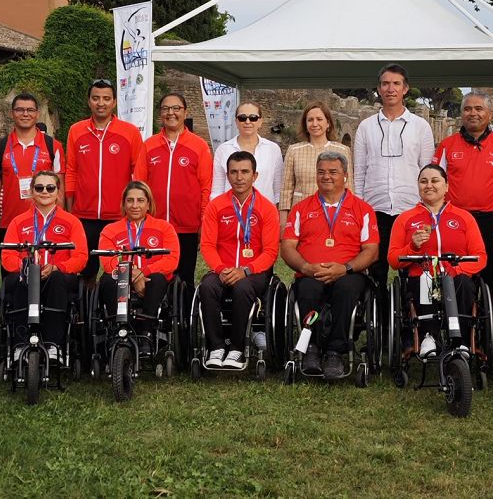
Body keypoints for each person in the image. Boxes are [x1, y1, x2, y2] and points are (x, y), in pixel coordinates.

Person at [281, 151, 379, 379]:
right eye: (321, 172)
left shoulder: (362, 209)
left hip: (349, 273)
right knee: (308, 288)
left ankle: (335, 351)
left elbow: (371, 251)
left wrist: (344, 268)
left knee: (346, 288)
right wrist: (305, 267)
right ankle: (312, 348)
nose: (326, 176)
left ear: (345, 175)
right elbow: (287, 247)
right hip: (310, 272)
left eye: (333, 172)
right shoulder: (301, 208)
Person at [355, 64, 435, 301]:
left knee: (414, 270)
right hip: (375, 209)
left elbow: (427, 171)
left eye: (396, 84)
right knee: (376, 270)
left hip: (410, 209)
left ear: (405, 89)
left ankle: (415, 318)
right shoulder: (365, 127)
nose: (390, 89)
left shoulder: (421, 126)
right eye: (385, 84)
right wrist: (360, 208)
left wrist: (427, 208)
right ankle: (378, 317)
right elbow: (359, 171)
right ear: (379, 88)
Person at [386, 164, 486, 356]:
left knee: (465, 283)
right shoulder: (405, 219)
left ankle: (462, 340)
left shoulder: (464, 217)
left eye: (435, 180)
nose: (429, 185)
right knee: (426, 278)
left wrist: (457, 270)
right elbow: (393, 259)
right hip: (421, 278)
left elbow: (480, 256)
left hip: (457, 276)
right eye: (423, 181)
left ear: (446, 186)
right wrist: (413, 247)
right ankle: (428, 337)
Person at [434, 91, 493, 310]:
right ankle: (461, 318)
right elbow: (436, 182)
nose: (473, 113)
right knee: (457, 273)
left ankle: (491, 325)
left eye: (479, 108)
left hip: (490, 220)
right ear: (461, 113)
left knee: (491, 278)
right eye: (467, 109)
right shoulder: (447, 145)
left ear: (490, 114)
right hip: (456, 221)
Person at [198, 151, 280, 369]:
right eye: (234, 172)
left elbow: (271, 251)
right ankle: (216, 347)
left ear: (255, 176)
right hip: (222, 270)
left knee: (242, 288)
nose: (239, 177)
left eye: (245, 172)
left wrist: (245, 270)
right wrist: (221, 269)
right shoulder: (216, 206)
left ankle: (236, 348)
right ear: (227, 176)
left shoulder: (267, 208)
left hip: (254, 272)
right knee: (207, 287)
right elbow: (207, 245)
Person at [0, 171, 87, 364]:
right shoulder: (18, 222)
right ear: (32, 192)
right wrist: (26, 266)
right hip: (26, 275)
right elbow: (6, 257)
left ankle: (53, 344)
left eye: (50, 188)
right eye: (39, 188)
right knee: (22, 278)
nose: (45, 191)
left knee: (56, 279)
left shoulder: (72, 222)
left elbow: (81, 257)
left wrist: (58, 267)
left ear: (58, 192)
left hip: (58, 277)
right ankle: (20, 344)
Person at [65, 79, 147, 280]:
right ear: (89, 101)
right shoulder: (76, 130)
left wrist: (134, 207)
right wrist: (70, 208)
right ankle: (86, 298)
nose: (101, 103)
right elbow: (71, 171)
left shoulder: (130, 132)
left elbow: (138, 173)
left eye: (106, 98)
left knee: (121, 269)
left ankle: (114, 298)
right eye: (96, 98)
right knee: (85, 270)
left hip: (119, 214)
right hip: (84, 213)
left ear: (114, 102)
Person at [144, 92, 213, 289]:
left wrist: (202, 220)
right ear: (160, 113)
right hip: (154, 225)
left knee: (185, 279)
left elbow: (206, 187)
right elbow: (140, 185)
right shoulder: (149, 145)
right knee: (154, 277)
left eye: (176, 108)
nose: (171, 113)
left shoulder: (199, 146)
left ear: (185, 112)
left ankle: (185, 309)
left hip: (186, 226)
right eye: (166, 108)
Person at [97, 181, 180, 340]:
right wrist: (131, 275)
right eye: (130, 200)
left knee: (158, 279)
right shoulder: (110, 230)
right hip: (121, 280)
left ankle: (146, 332)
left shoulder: (165, 228)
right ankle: (118, 331)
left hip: (152, 280)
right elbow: (108, 263)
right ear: (124, 204)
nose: (135, 205)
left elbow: (171, 260)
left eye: (140, 200)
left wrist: (142, 273)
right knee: (107, 280)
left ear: (149, 204)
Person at [0, 93, 64, 247]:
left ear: (37, 114)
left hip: (45, 223)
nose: (25, 114)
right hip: (9, 224)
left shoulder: (53, 146)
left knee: (44, 263)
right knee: (11, 263)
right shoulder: (0, 148)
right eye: (19, 110)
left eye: (30, 110)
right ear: (12, 113)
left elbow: (60, 188)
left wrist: (58, 222)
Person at [279, 102, 354, 221]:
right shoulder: (294, 151)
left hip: (333, 214)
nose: (315, 124)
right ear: (305, 124)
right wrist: (283, 222)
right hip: (301, 214)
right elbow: (286, 189)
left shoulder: (343, 150)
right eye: (310, 120)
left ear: (328, 123)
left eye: (319, 119)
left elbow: (348, 186)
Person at [212, 102, 283, 203]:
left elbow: (278, 189)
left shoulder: (273, 149)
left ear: (260, 121)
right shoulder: (223, 150)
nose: (247, 121)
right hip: (231, 209)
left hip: (264, 210)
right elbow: (217, 190)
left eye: (253, 118)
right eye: (242, 118)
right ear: (236, 121)